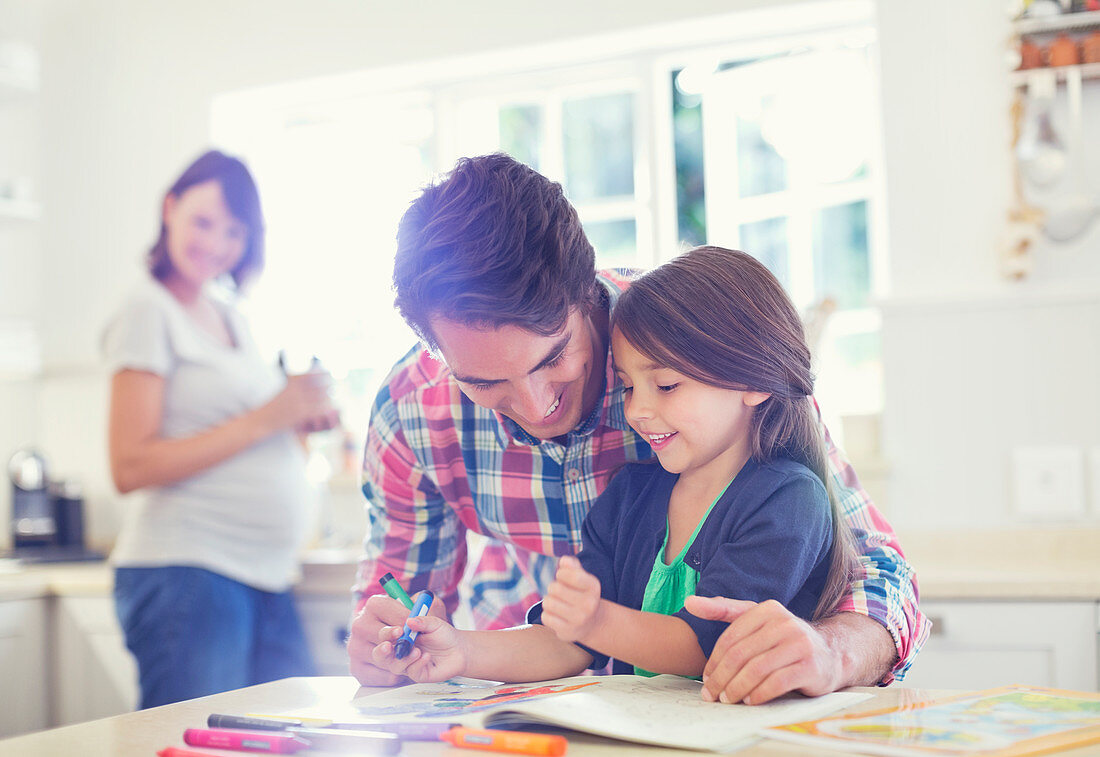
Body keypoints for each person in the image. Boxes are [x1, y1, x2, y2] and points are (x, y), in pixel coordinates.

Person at [348, 153, 929, 703]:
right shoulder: (412, 412)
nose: (533, 406)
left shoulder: (693, 335)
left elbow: (872, 567)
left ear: (588, 294)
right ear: (436, 354)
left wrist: (832, 652)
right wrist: (392, 647)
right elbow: (409, 599)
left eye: (553, 358)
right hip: (542, 689)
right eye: (484, 382)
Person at [366, 246, 859, 684]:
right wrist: (462, 649)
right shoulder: (631, 496)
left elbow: (706, 647)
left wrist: (595, 621)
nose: (637, 410)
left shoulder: (788, 499)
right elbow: (566, 642)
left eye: (665, 386)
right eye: (626, 386)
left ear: (756, 381)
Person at [102, 149, 338, 708]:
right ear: (170, 207)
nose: (215, 243)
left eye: (232, 231)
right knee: (198, 745)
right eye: (203, 222)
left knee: (300, 736)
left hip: (263, 575)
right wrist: (271, 415)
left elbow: (254, 427)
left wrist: (299, 415)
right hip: (190, 572)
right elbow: (129, 465)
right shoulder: (147, 308)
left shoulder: (229, 312)